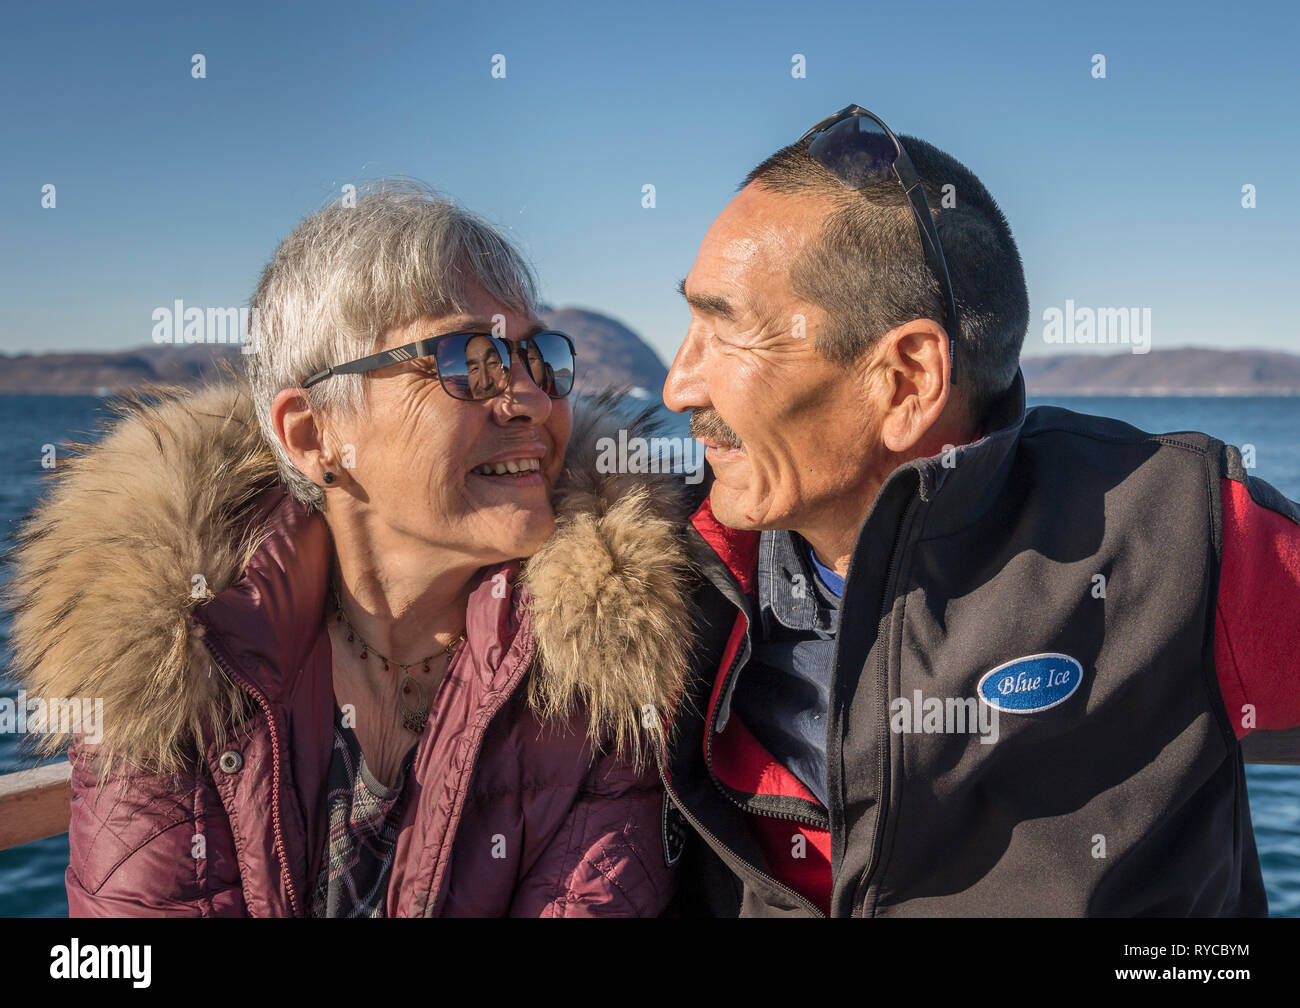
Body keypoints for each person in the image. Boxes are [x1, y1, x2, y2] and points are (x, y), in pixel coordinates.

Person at [658, 104, 1300, 916]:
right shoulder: (663, 575)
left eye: (725, 333)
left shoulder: (1178, 532)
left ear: (905, 380)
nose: (679, 385)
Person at [6, 181, 692, 917]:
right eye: (470, 359)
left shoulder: (603, 666)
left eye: (537, 357)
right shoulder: (177, 657)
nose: (527, 396)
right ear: (313, 435)